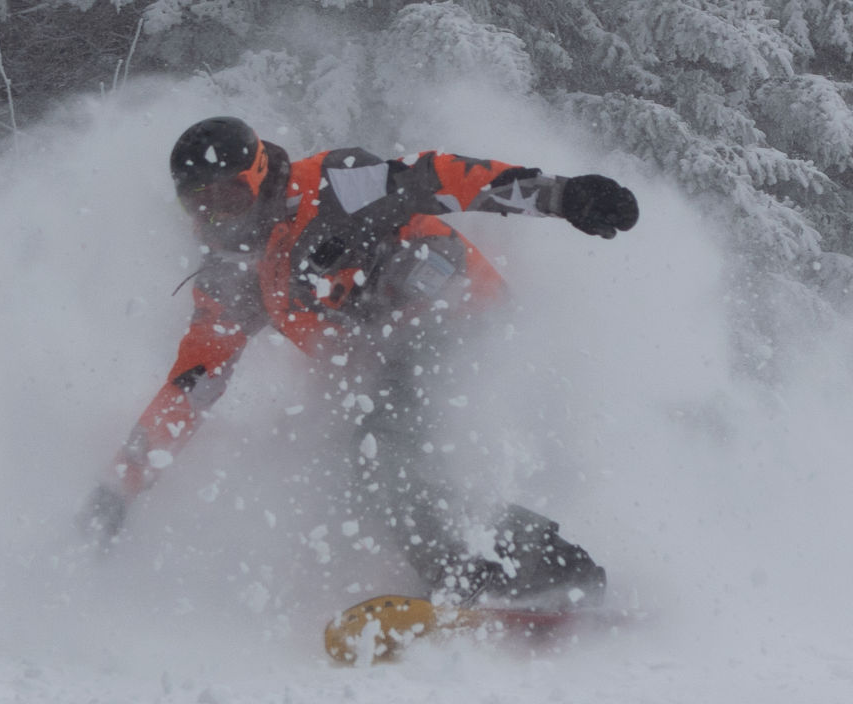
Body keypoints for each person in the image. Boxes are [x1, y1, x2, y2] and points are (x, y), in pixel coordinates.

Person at [79, 116, 640, 609]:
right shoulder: (230, 280)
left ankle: (484, 575)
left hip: (460, 319)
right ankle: (543, 569)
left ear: (256, 177)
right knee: (353, 471)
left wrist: (559, 196)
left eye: (226, 198)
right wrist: (120, 487)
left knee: (383, 455)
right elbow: (191, 385)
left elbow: (440, 178)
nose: (217, 218)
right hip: (384, 362)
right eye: (199, 205)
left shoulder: (333, 185)